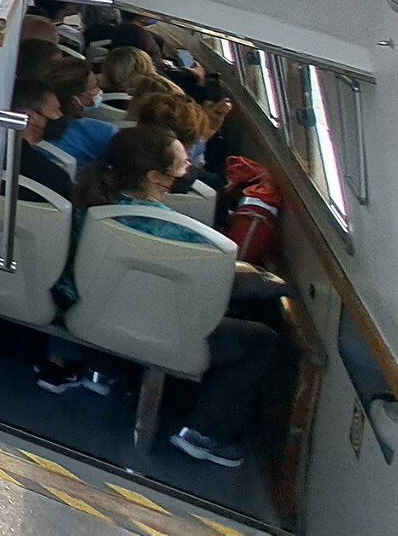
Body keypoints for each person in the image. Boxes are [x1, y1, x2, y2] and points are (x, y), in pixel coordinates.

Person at [74, 126, 279, 468]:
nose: (189, 171)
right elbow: (222, 282)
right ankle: (203, 434)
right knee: (260, 340)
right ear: (155, 177)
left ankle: (100, 372)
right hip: (153, 327)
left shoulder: (89, 202)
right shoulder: (181, 233)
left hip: (90, 313)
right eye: (182, 166)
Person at [44, 57, 120, 164]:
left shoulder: (33, 130)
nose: (99, 91)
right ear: (75, 99)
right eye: (94, 87)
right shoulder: (106, 132)